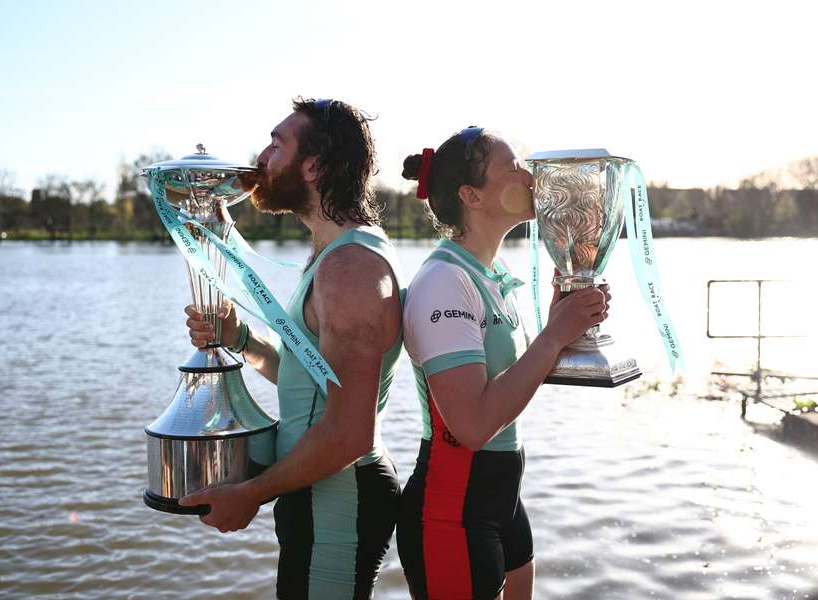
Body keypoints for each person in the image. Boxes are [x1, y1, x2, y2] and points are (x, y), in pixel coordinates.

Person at [179, 98, 404, 600]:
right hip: (320, 494)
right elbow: (313, 382)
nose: (261, 156)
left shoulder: (351, 269)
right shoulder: (335, 253)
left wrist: (249, 494)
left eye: (277, 143)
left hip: (339, 499)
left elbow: (349, 431)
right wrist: (239, 338)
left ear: (315, 165)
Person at [397, 128, 610, 600]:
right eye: (512, 167)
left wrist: (567, 323)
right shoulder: (444, 283)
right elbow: (472, 424)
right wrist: (554, 335)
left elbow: (511, 384)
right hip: (452, 509)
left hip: (504, 497)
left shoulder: (490, 278)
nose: (529, 176)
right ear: (471, 196)